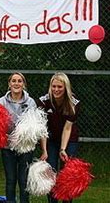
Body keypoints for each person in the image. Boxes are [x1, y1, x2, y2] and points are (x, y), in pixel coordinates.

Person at [0, 72, 47, 203]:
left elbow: (37, 126)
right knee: (10, 180)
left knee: (23, 180)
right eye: (13, 81)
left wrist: (44, 149)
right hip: (7, 147)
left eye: (19, 81)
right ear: (9, 84)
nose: (16, 83)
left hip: (26, 148)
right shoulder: (1, 102)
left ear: (23, 84)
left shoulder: (30, 102)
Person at [37, 72, 80, 203]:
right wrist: (44, 150)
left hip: (69, 139)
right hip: (50, 139)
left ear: (65, 87)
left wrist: (63, 149)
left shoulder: (74, 102)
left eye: (60, 87)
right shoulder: (43, 101)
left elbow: (68, 128)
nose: (56, 89)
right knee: (50, 172)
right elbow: (42, 127)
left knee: (67, 173)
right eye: (54, 86)